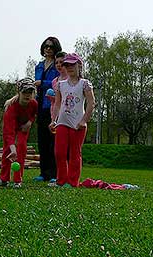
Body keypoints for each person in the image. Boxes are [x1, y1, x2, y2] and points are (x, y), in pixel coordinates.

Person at [49, 53, 96, 187]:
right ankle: (61, 180)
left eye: (72, 64)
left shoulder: (84, 84)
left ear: (79, 65)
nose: (69, 67)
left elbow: (91, 103)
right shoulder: (60, 85)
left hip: (77, 124)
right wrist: (54, 120)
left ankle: (73, 181)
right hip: (62, 122)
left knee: (75, 154)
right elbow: (57, 104)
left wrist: (84, 120)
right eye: (66, 65)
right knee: (59, 152)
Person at [0, 78, 38, 188]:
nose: (27, 95)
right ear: (19, 92)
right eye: (24, 92)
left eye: (30, 92)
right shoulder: (11, 108)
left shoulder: (34, 103)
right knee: (8, 152)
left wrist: (29, 122)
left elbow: (33, 114)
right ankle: (3, 179)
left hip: (23, 129)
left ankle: (18, 180)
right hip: (10, 130)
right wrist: (12, 148)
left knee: (21, 148)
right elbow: (9, 132)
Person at [34, 36, 62, 182]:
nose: (48, 49)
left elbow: (59, 83)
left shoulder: (59, 65)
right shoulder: (39, 66)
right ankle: (43, 172)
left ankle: (54, 173)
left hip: (53, 105)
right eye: (46, 46)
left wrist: (42, 83)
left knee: (53, 140)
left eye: (51, 46)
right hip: (40, 105)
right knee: (42, 140)